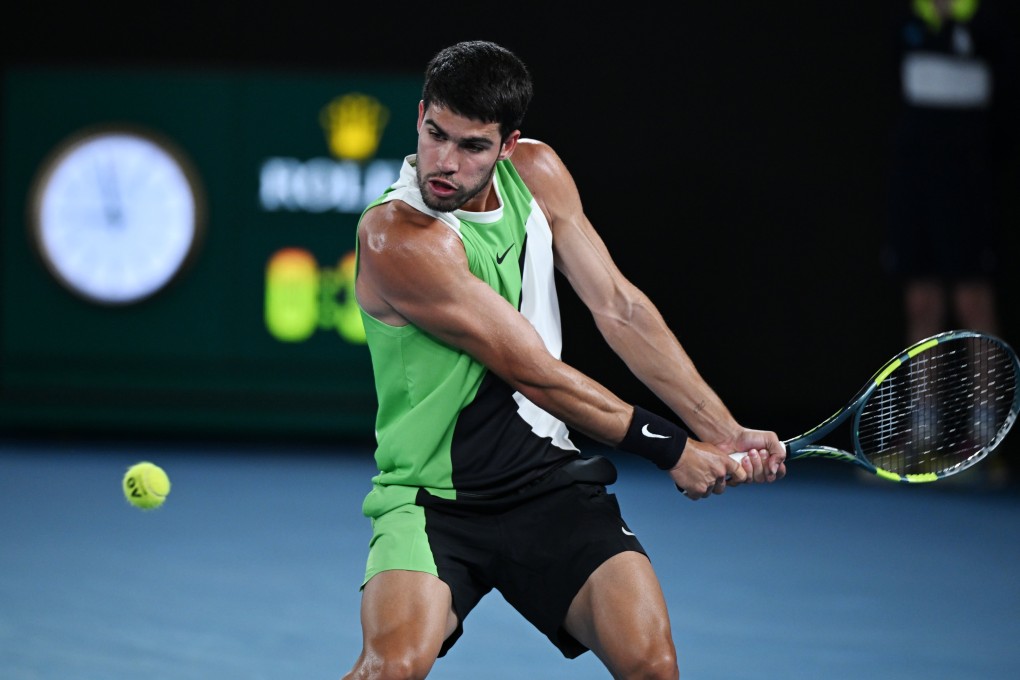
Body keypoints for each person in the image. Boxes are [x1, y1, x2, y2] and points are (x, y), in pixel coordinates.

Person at [344, 40, 787, 680]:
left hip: (548, 488)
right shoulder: (396, 236)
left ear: (509, 145)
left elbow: (619, 309)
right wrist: (674, 448)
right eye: (436, 134)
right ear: (419, 115)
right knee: (390, 669)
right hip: (430, 502)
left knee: (652, 666)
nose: (444, 162)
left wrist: (722, 430)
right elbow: (534, 372)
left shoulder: (539, 175)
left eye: (472, 147)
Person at [884, 0, 1017, 345]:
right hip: (914, 180)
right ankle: (923, 402)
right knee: (920, 302)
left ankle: (992, 401)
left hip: (968, 182)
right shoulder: (904, 18)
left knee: (973, 301)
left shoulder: (991, 20)